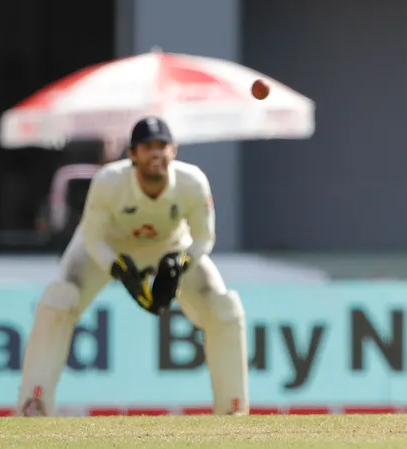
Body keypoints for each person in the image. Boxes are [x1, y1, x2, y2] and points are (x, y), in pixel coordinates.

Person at [16, 117, 249, 416]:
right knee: (60, 300)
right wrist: (117, 269)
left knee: (223, 309)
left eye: (162, 146)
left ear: (174, 151)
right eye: (147, 147)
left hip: (171, 247)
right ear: (132, 154)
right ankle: (33, 403)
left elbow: (204, 238)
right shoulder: (109, 181)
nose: (156, 153)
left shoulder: (192, 182)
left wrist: (181, 263)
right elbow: (93, 236)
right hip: (108, 248)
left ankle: (233, 410)